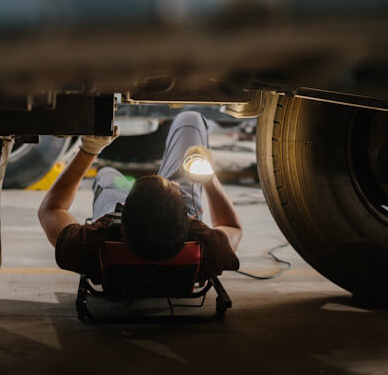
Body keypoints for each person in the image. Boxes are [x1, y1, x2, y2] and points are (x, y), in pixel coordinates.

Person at [38, 111, 242, 282]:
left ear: (120, 220)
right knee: (191, 119)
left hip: (135, 229)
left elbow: (51, 209)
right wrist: (208, 177)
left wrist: (89, 150)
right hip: (160, 226)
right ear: (189, 222)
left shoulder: (90, 244)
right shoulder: (207, 247)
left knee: (107, 175)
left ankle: (119, 186)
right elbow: (232, 228)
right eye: (173, 188)